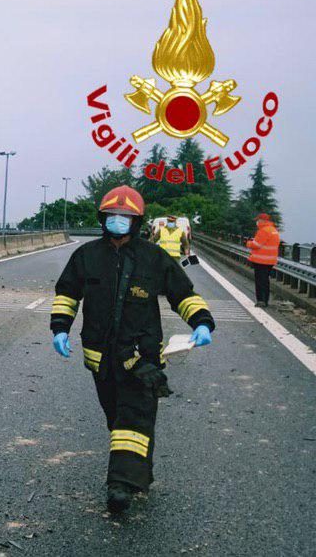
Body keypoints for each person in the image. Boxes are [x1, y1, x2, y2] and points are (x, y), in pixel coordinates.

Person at [49, 186, 214, 513]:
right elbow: (68, 294)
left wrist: (202, 321)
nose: (118, 222)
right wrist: (59, 329)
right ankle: (139, 472)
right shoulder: (86, 256)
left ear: (136, 222)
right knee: (117, 419)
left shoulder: (154, 259)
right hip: (100, 359)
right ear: (102, 219)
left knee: (133, 416)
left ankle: (120, 486)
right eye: (112, 217)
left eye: (125, 218)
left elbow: (183, 293)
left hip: (141, 356)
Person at [246, 213, 280, 308]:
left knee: (260, 280)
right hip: (270, 260)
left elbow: (256, 244)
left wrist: (248, 243)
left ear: (262, 221)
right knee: (265, 281)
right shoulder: (273, 230)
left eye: (258, 220)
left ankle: (261, 300)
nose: (257, 222)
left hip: (261, 260)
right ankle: (265, 300)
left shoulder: (263, 231)